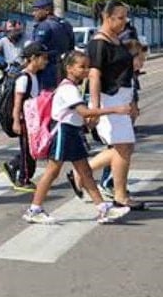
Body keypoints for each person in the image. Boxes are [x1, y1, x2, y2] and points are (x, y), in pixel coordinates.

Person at [22, 51, 132, 224]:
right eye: (82, 67)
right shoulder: (67, 89)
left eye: (87, 67)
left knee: (85, 172)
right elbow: (84, 111)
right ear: (69, 68)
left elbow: (77, 115)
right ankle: (34, 209)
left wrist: (86, 125)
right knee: (52, 172)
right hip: (63, 134)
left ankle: (103, 209)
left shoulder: (72, 88)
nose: (86, 70)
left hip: (72, 133)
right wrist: (115, 109)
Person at [66, 0, 142, 210]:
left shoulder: (116, 39)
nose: (124, 21)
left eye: (125, 17)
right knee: (123, 147)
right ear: (106, 18)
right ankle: (120, 195)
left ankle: (83, 173)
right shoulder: (98, 42)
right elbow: (95, 75)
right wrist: (96, 110)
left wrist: (133, 99)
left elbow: (127, 73)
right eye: (119, 17)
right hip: (110, 99)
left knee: (124, 147)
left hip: (123, 98)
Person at [1, 42, 49, 192]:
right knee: (28, 151)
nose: (46, 62)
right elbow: (17, 102)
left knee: (30, 149)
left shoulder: (34, 76)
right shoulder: (24, 78)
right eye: (44, 58)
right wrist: (16, 121)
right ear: (33, 58)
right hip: (24, 120)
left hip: (32, 119)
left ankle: (13, 165)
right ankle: (23, 179)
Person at [29, 0, 75, 89]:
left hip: (46, 69)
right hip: (63, 69)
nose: (33, 13)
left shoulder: (44, 26)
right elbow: (71, 47)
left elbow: (35, 48)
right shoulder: (66, 24)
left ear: (47, 10)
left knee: (44, 98)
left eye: (36, 10)